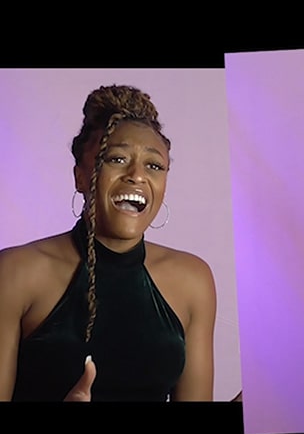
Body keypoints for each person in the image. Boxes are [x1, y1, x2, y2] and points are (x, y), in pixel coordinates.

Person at [0, 84, 217, 401]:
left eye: (154, 166)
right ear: (80, 177)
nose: (136, 175)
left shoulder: (194, 281)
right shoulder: (15, 273)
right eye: (116, 159)